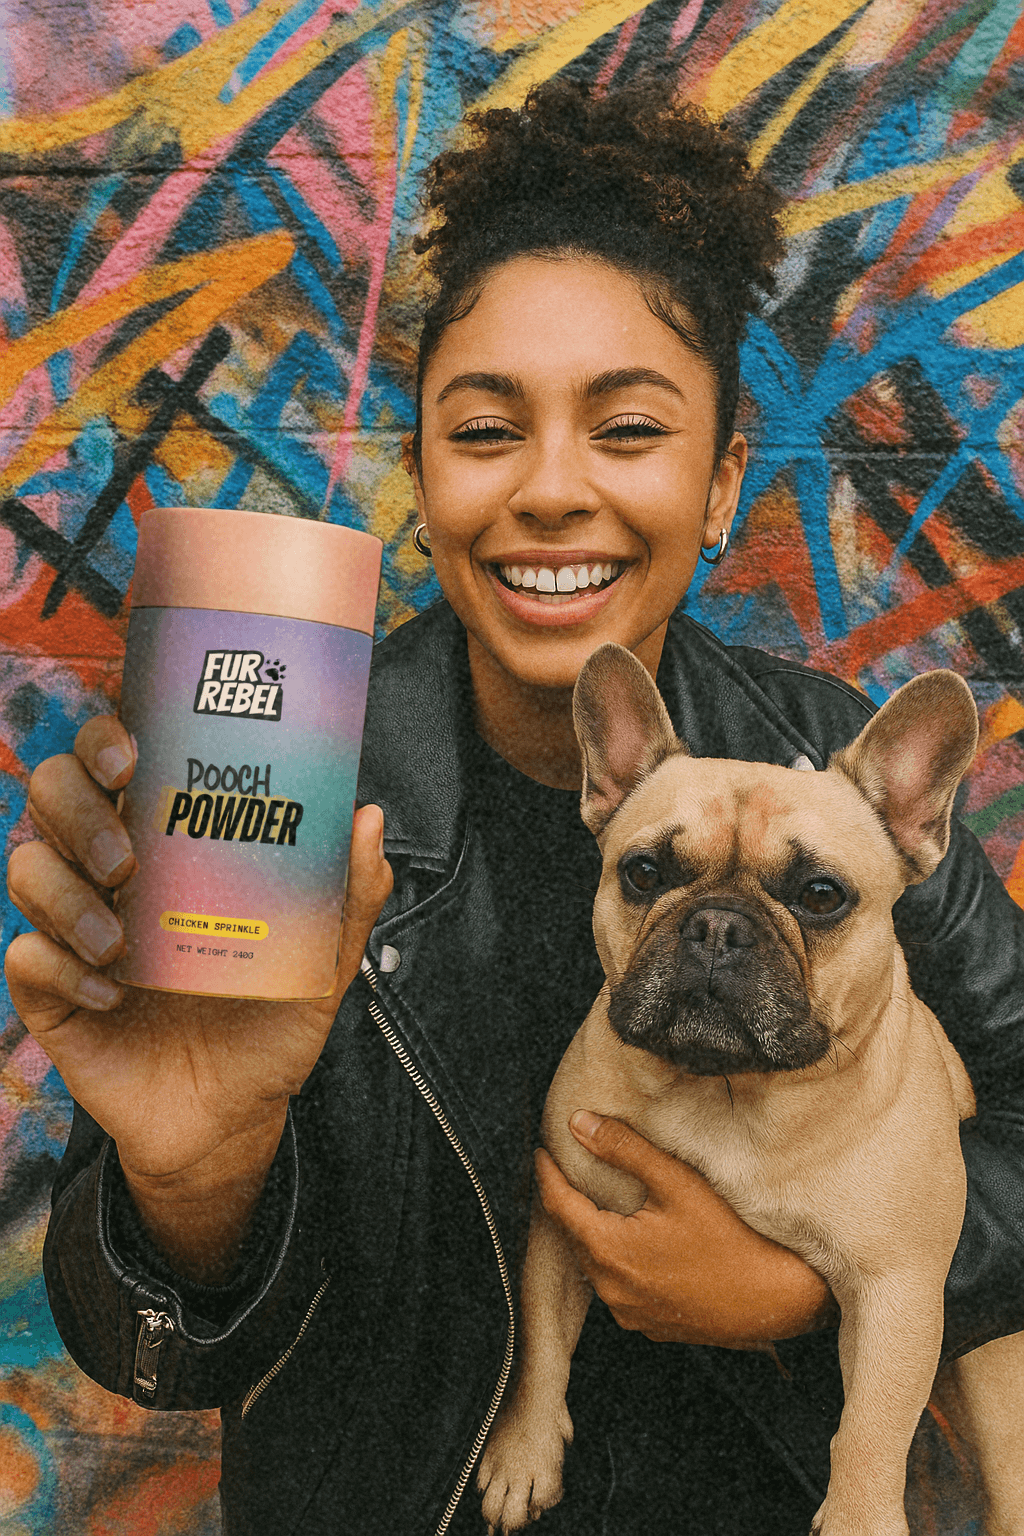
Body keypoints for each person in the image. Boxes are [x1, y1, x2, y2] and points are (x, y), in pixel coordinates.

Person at [5, 77, 1024, 1536]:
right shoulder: (279, 787)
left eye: (626, 431)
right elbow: (143, 1344)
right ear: (420, 475)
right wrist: (190, 1176)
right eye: (486, 432)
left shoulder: (837, 799)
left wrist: (809, 1284)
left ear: (725, 479)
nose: (553, 490)